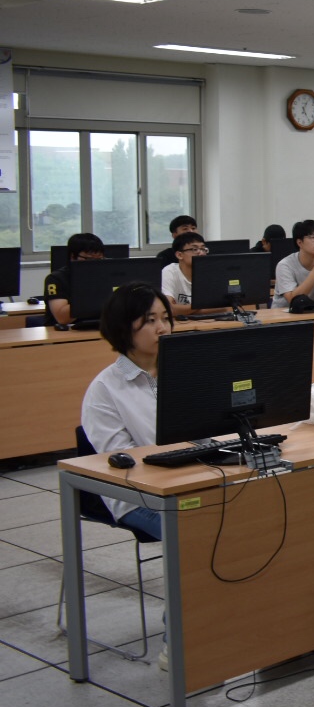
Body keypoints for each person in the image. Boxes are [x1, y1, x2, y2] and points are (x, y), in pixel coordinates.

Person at [80, 283, 174, 539]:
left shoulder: (184, 371)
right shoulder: (104, 389)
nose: (162, 328)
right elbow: (123, 464)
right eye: (150, 320)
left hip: (195, 480)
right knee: (207, 535)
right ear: (123, 326)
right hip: (138, 497)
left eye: (165, 318)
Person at [44, 232, 105, 326]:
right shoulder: (56, 279)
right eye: (89, 259)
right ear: (73, 256)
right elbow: (62, 318)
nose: (95, 264)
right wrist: (95, 294)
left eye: (99, 259)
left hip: (98, 327)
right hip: (65, 332)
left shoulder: (104, 276)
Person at [272, 219, 314, 308]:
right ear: (299, 242)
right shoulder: (284, 265)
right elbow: (292, 299)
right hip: (284, 313)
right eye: (313, 237)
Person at [159, 231, 208, 316]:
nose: (201, 253)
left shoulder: (210, 272)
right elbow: (169, 308)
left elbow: (227, 307)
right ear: (179, 255)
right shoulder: (169, 272)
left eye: (203, 249)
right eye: (194, 249)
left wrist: (183, 310)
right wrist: (203, 307)